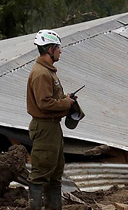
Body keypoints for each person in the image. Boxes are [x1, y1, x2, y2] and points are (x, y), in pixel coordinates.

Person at [26, 30, 76, 210]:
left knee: (55, 173)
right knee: (40, 174)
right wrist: (66, 103)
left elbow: (51, 98)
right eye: (58, 48)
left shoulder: (48, 72)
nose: (60, 51)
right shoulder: (41, 74)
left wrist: (66, 99)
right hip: (45, 128)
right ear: (50, 49)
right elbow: (44, 103)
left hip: (53, 128)